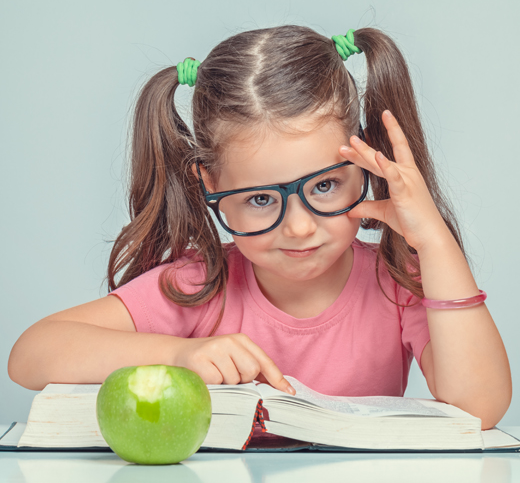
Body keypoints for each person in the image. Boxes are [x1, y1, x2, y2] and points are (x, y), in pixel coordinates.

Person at [8, 25, 511, 430]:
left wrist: (433, 240)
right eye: (260, 199)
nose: (298, 227)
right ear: (209, 183)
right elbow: (30, 356)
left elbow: (480, 406)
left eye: (325, 187)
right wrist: (180, 353)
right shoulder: (199, 286)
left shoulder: (396, 282)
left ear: (365, 162)